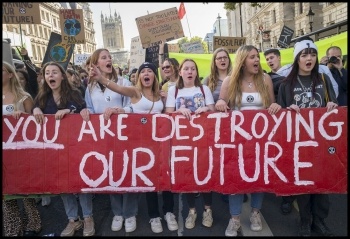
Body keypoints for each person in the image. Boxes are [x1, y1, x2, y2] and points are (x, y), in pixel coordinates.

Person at [93, 61, 179, 234]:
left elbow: (166, 114)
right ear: (139, 76)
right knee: (148, 178)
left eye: (150, 71)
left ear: (154, 76)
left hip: (160, 142)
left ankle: (169, 212)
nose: (146, 73)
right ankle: (154, 216)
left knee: (166, 176)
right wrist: (101, 78)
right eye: (143, 71)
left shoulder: (161, 94)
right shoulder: (135, 91)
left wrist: (164, 99)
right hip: (141, 144)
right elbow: (116, 88)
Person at [215, 45, 281, 237]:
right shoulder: (229, 81)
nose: (256, 60)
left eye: (257, 57)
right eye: (252, 57)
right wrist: (220, 103)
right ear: (242, 61)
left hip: (261, 141)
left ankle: (255, 213)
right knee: (236, 178)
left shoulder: (265, 79)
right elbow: (222, 107)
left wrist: (275, 105)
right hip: (237, 142)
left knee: (259, 177)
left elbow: (271, 106)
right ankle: (234, 218)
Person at [276, 39, 337, 237]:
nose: (308, 58)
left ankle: (319, 220)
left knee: (322, 183)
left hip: (322, 141)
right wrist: (287, 110)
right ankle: (305, 220)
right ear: (297, 59)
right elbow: (280, 116)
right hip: (299, 144)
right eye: (304, 55)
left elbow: (334, 106)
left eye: (312, 54)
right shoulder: (286, 84)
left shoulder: (323, 79)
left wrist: (332, 106)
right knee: (303, 183)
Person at [82, 48, 138, 234]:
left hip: (124, 136)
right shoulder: (89, 87)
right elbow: (89, 108)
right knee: (112, 172)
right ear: (96, 64)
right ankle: (117, 212)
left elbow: (132, 105)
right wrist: (85, 112)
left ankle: (130, 213)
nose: (108, 59)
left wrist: (121, 110)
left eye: (109, 57)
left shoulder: (123, 82)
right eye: (103, 57)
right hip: (104, 137)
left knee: (127, 171)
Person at [32, 62, 90, 237]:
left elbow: (84, 111)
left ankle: (88, 217)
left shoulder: (74, 94)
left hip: (75, 147)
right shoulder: (41, 97)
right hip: (55, 150)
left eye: (54, 72)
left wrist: (70, 112)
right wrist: (35, 109)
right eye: (47, 73)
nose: (51, 75)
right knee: (63, 183)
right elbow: (35, 111)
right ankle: (73, 219)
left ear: (62, 76)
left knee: (81, 182)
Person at [165, 59, 215, 229]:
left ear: (196, 72)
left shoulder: (204, 89)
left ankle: (208, 210)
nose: (189, 71)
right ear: (180, 72)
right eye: (186, 69)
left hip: (203, 140)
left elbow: (213, 109)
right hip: (182, 142)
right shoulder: (174, 90)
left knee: (204, 172)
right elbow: (168, 113)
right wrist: (180, 111)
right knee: (186, 174)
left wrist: (206, 109)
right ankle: (192, 211)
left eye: (192, 69)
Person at [2, 61, 41, 237]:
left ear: (10, 74)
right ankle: (13, 228)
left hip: (20, 152)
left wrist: (23, 117)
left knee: (25, 189)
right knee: (5, 191)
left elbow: (34, 125)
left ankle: (33, 223)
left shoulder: (24, 97)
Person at [263, 48, 296, 215]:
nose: (270, 61)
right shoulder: (267, 78)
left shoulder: (293, 71)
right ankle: (285, 195)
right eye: (267, 58)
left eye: (272, 57)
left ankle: (288, 197)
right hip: (276, 125)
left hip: (294, 122)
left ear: (279, 58)